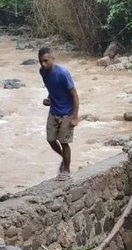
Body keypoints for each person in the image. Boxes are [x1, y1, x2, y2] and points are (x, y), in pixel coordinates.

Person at [38, 47, 79, 181]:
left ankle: (66, 170)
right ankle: (63, 157)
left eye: (45, 61)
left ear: (52, 59)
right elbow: (52, 87)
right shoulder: (42, 72)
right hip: (54, 111)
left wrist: (75, 117)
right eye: (41, 61)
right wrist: (49, 99)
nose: (43, 64)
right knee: (50, 139)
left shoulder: (62, 73)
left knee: (64, 142)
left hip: (66, 113)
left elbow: (75, 95)